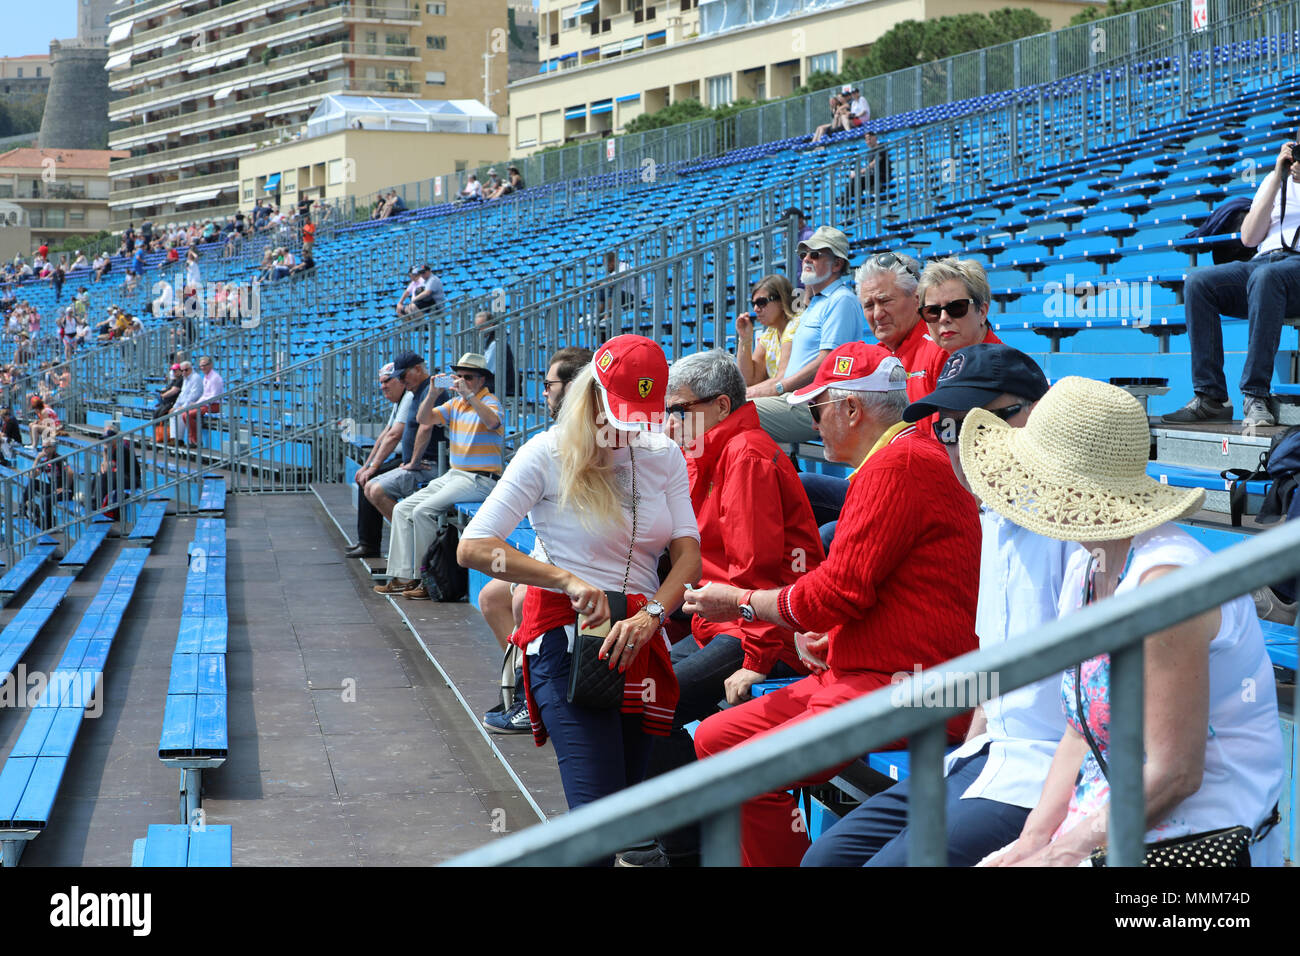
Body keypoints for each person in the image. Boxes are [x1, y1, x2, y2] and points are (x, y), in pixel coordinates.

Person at [962, 377, 1285, 867]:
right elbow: (1079, 731)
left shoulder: (1166, 589)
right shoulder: (1087, 565)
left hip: (1197, 847)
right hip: (1111, 827)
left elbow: (1174, 774)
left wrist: (1058, 855)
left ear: (1068, 490)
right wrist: (1032, 841)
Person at [682, 342, 981, 866]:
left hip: (913, 681)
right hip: (870, 669)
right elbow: (858, 589)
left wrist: (743, 604)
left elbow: (838, 592)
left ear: (851, 408)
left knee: (742, 767)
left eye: (818, 409)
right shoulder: (896, 459)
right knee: (712, 738)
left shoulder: (900, 464)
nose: (813, 424)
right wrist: (826, 630)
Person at [803, 343, 1066, 867]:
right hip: (986, 755)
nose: (963, 444)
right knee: (824, 861)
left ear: (1036, 414)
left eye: (980, 423)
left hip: (1047, 771)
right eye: (946, 429)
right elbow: (993, 678)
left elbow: (1094, 719)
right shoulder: (995, 525)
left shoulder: (1078, 539)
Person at [458, 335, 702, 853]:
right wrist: (565, 579)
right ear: (592, 396)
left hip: (638, 639)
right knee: (596, 827)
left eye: (641, 417)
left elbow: (687, 557)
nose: (629, 429)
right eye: (620, 413)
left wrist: (654, 614)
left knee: (627, 824)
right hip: (567, 641)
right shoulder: (545, 453)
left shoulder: (665, 454)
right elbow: (474, 547)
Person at [621, 350, 824, 868]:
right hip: (721, 622)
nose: (669, 420)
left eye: (679, 408)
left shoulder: (745, 456)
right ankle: (676, 838)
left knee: (651, 707)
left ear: (720, 404)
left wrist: (756, 658)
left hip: (770, 634)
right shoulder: (710, 450)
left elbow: (757, 571)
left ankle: (684, 850)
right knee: (634, 692)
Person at [481, 345, 594, 735]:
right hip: (548, 553)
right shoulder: (551, 442)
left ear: (573, 387)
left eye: (549, 384)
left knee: (520, 598)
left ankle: (536, 701)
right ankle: (526, 688)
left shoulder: (586, 441)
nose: (543, 392)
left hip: (581, 565)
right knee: (491, 597)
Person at [1163, 134, 1300, 427]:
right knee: (1199, 282)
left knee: (1267, 277)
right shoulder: (1275, 182)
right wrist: (1277, 177)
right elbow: (1249, 237)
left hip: (1294, 267)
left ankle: (1255, 394)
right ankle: (1211, 397)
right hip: (1263, 261)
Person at [376, 353, 504, 599]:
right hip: (456, 474)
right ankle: (405, 577)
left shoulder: (489, 401)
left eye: (469, 377)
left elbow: (492, 421)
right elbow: (423, 419)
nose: (462, 381)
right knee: (403, 511)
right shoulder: (455, 404)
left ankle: (428, 580)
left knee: (422, 512)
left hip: (480, 479)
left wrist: (468, 395)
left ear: (481, 380)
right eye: (459, 376)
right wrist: (433, 393)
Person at [748, 226, 866, 444]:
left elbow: (827, 361)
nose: (806, 259)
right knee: (717, 407)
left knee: (729, 411)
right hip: (796, 400)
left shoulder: (841, 300)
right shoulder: (817, 302)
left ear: (838, 264)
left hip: (814, 405)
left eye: (816, 254)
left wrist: (779, 388)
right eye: (804, 255)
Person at [361, 353, 448, 549]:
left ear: (418, 369)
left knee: (376, 490)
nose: (401, 381)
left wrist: (414, 461)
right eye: (398, 377)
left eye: (403, 376)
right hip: (418, 464)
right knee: (369, 487)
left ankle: (415, 541)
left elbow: (426, 426)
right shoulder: (416, 392)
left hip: (429, 465)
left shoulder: (431, 391)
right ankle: (412, 538)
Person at [345, 362, 414, 559]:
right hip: (402, 458)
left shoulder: (408, 397)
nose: (383, 386)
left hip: (411, 460)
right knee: (365, 475)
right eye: (381, 382)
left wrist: (372, 467)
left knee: (371, 478)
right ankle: (366, 542)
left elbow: (394, 436)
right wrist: (367, 465)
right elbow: (385, 433)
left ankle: (371, 543)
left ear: (400, 381)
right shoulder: (399, 401)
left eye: (387, 381)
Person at [912, 257, 1003, 407]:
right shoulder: (933, 361)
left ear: (982, 311)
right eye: (932, 311)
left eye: (956, 307)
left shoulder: (1007, 370)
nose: (943, 318)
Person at [735, 273, 800, 388]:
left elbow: (783, 379)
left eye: (761, 302)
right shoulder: (770, 333)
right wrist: (745, 339)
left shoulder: (797, 324)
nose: (755, 309)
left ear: (782, 299)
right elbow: (748, 380)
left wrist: (746, 394)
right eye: (753, 304)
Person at [184, 355, 223, 447]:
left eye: (205, 365)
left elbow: (213, 397)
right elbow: (205, 395)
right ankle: (193, 439)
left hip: (214, 405)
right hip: (206, 405)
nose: (203, 368)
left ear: (211, 365)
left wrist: (198, 404)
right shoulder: (206, 377)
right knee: (185, 413)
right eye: (201, 366)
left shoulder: (215, 378)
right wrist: (196, 403)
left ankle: (195, 440)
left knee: (187, 415)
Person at [475, 311, 516, 397]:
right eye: (477, 327)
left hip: (501, 385)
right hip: (495, 382)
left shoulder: (496, 343)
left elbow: (487, 369)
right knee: (463, 383)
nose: (479, 330)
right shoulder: (490, 341)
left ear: (491, 325)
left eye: (482, 326)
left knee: (466, 384)